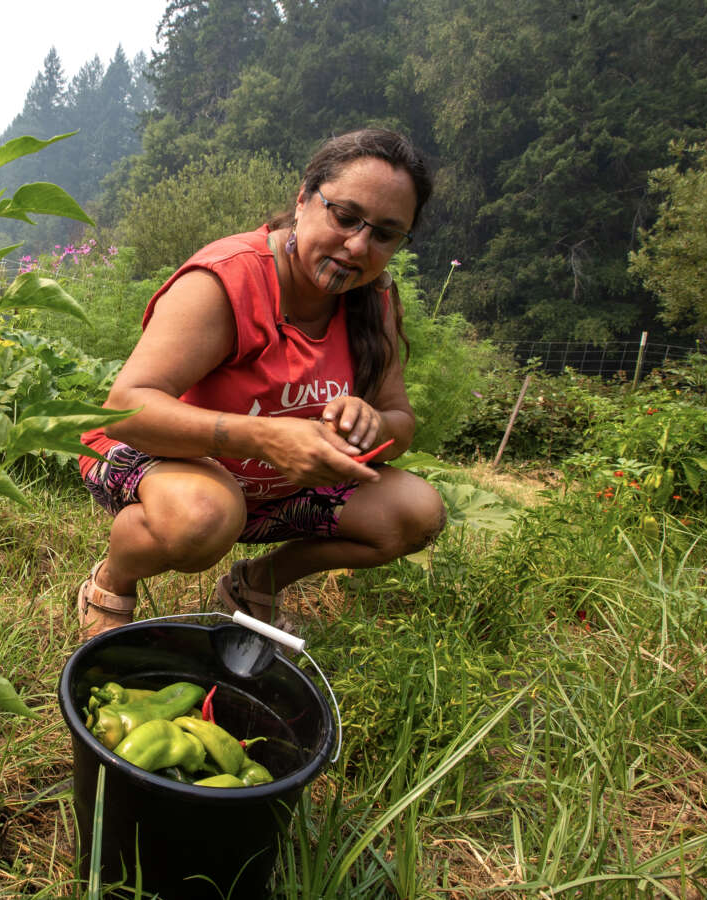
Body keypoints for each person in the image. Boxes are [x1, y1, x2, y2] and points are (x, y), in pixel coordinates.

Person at [75, 128, 447, 639]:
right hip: (162, 457)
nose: (358, 245)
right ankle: (113, 579)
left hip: (276, 488)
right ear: (302, 200)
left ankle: (256, 582)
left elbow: (401, 424)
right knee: (203, 516)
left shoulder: (373, 299)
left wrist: (374, 420)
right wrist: (268, 437)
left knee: (417, 513)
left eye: (384, 233)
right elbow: (126, 408)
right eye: (345, 217)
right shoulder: (229, 280)